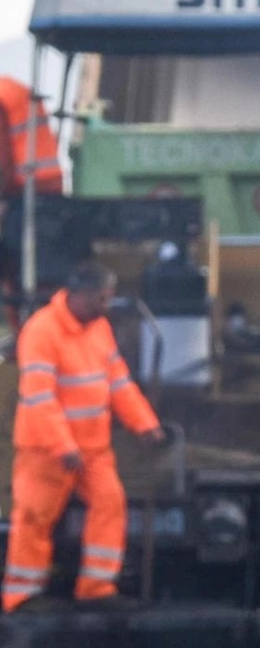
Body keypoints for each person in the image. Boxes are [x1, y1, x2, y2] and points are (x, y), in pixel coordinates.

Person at [3, 263, 165, 613]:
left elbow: (118, 382)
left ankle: (96, 589)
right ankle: (21, 597)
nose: (106, 306)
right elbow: (39, 397)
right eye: (101, 299)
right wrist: (63, 446)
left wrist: (144, 424)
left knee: (110, 503)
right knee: (33, 518)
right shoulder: (42, 331)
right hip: (46, 450)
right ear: (80, 294)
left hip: (92, 448)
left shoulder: (99, 329)